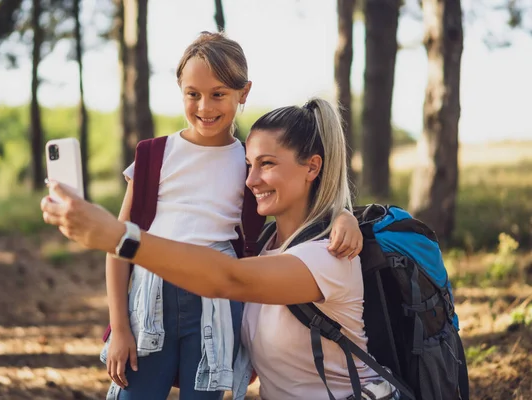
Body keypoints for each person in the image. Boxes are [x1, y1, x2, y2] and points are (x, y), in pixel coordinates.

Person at [41, 97, 399, 400]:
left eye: (267, 164)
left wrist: (117, 236)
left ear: (313, 167)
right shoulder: (265, 247)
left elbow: (224, 278)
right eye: (248, 165)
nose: (250, 180)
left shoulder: (328, 256)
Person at [98, 31, 363, 400]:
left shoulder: (248, 163)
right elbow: (119, 245)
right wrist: (119, 327)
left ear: (244, 92)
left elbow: (298, 204)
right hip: (150, 299)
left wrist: (344, 217)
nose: (205, 107)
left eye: (218, 94)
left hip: (218, 305)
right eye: (193, 94)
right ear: (180, 89)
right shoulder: (154, 156)